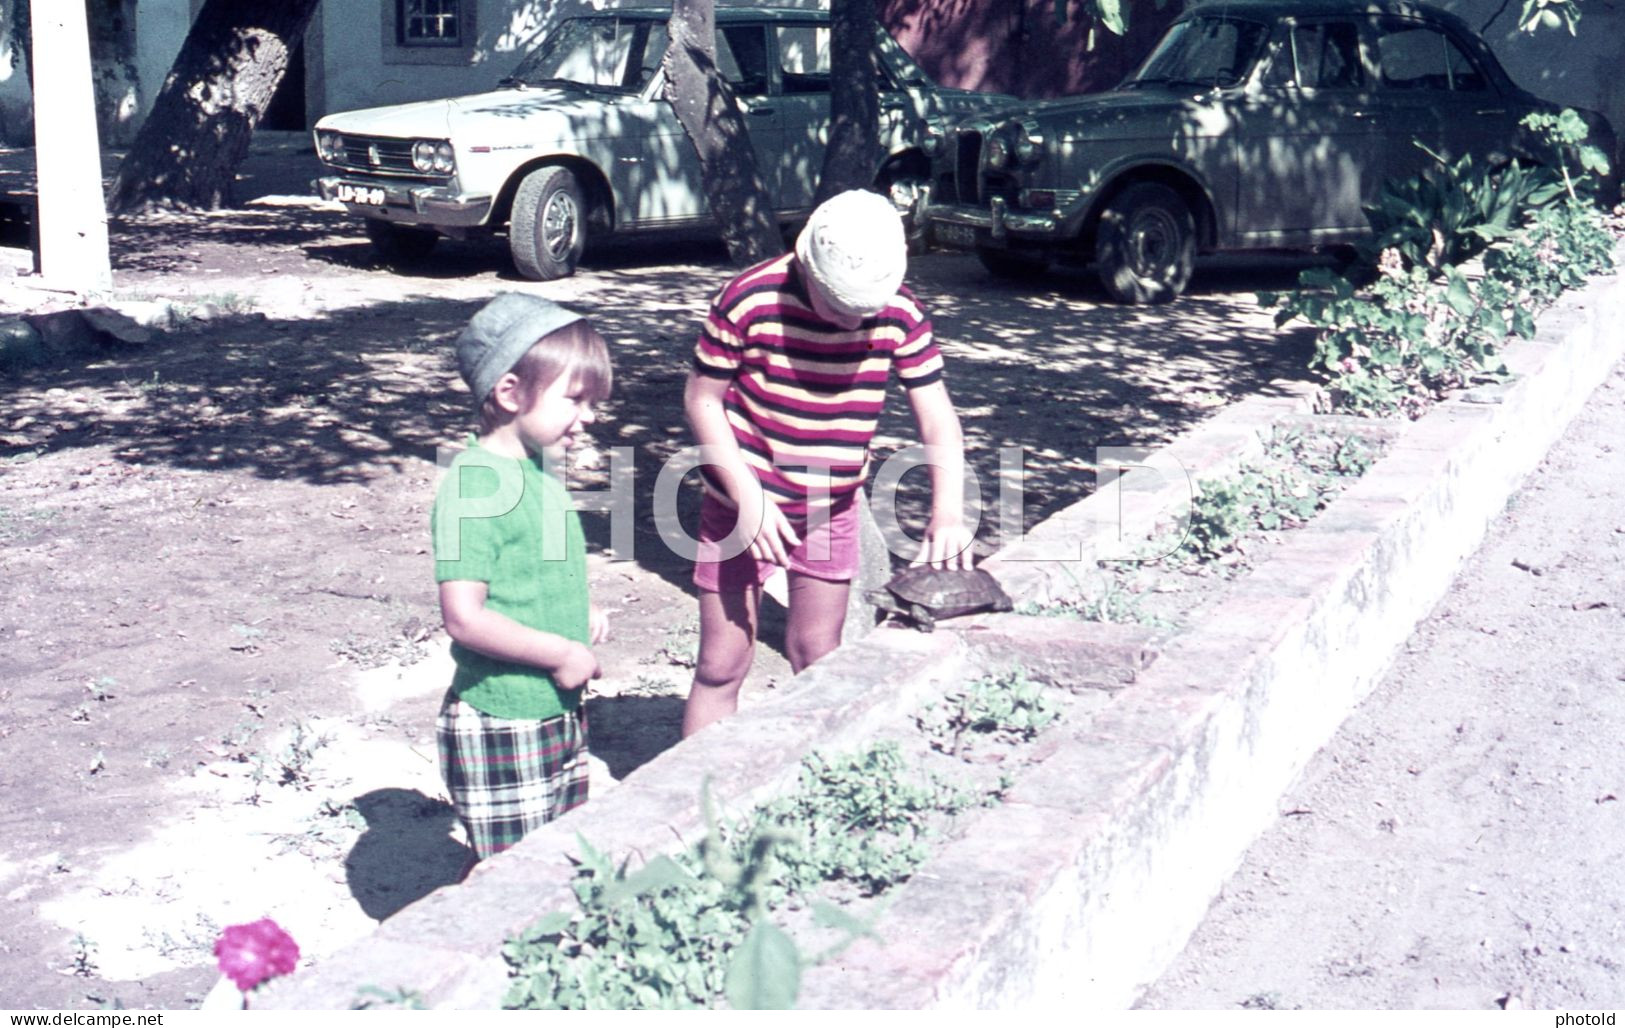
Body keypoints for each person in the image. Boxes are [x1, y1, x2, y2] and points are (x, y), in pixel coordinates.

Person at [682, 188, 974, 737]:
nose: (850, 322)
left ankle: (814, 784)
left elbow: (937, 418)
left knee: (818, 652)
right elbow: (702, 400)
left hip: (828, 505)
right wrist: (748, 496)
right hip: (740, 504)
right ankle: (701, 803)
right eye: (838, 307)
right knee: (723, 662)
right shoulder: (750, 299)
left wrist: (949, 512)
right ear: (807, 268)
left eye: (862, 311)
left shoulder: (899, 313)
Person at [430, 292, 613, 862]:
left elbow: (536, 567)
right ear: (510, 393)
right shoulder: (473, 487)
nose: (589, 419)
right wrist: (560, 651)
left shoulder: (537, 467)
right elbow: (464, 616)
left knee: (556, 855)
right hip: (504, 717)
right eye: (576, 400)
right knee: (514, 875)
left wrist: (576, 609)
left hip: (553, 708)